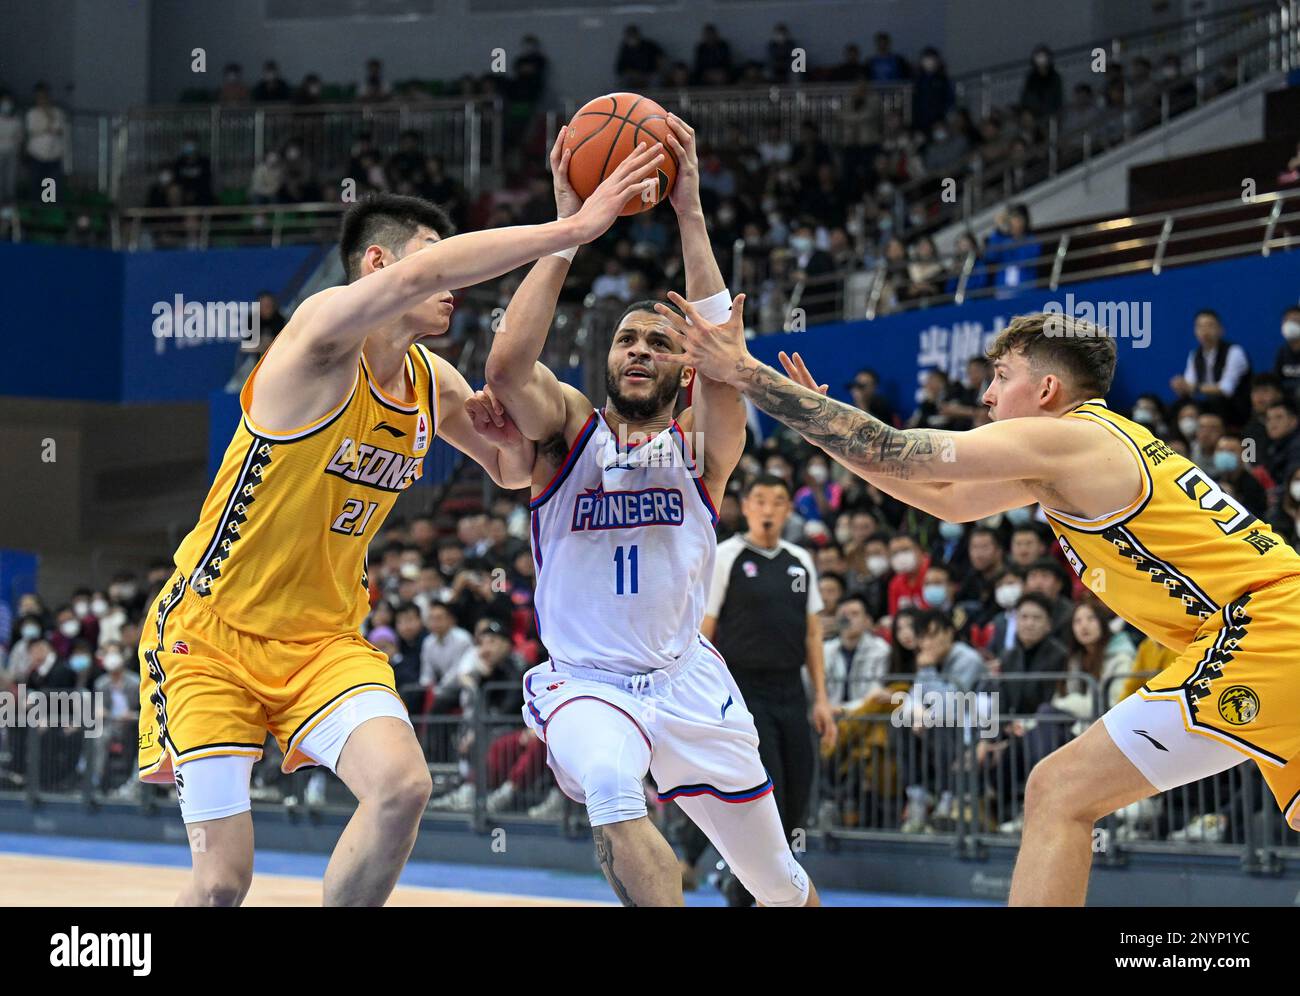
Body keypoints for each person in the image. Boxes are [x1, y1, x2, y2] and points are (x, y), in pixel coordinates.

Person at [134, 153, 659, 906]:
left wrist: (511, 424)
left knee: (403, 788)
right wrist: (569, 227)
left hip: (325, 641)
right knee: (222, 883)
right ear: (377, 264)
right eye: (432, 263)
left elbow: (511, 469)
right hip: (211, 635)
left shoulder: (430, 382)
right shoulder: (317, 336)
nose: (448, 287)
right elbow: (416, 280)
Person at [655, 305, 1300, 907]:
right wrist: (821, 429)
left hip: (1267, 626)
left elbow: (896, 449)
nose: (987, 395)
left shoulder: (1073, 441)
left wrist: (744, 371)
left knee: (1058, 791)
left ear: (1046, 390)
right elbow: (941, 495)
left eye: (1000, 377)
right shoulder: (1078, 453)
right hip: (1275, 628)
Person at [481, 116, 818, 907]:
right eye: (627, 339)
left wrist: (691, 209)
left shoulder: (704, 448)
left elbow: (727, 357)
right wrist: (567, 231)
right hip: (588, 683)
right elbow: (504, 365)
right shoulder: (568, 432)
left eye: (659, 343)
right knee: (607, 779)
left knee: (779, 882)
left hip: (689, 685)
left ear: (685, 368)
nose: (638, 349)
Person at [705, 473, 837, 895]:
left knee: (799, 788)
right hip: (743, 691)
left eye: (778, 501)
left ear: (787, 510)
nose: (768, 508)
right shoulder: (725, 556)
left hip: (790, 690)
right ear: (745, 507)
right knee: (770, 791)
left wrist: (822, 699)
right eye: (759, 500)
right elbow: (705, 630)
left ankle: (766, 885)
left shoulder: (800, 560)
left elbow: (813, 634)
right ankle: (749, 888)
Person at [1169, 309, 1252, 424]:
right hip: (1207, 404)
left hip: (1233, 406)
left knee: (1216, 401)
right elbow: (1190, 386)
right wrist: (1181, 387)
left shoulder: (1234, 352)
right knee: (1179, 406)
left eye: (1210, 326)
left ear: (1221, 330)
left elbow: (1226, 389)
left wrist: (1194, 388)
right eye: (1200, 327)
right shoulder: (1195, 355)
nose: (1205, 331)